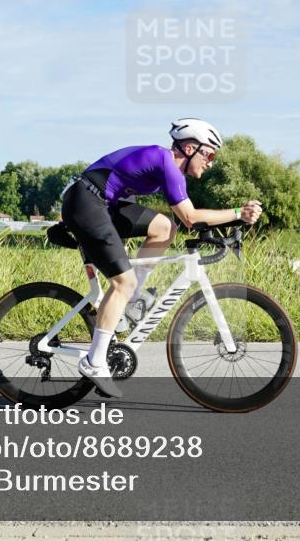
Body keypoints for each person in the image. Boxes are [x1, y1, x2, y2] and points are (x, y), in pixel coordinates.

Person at [60, 118, 262, 397]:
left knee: (165, 228)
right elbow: (191, 217)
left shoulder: (168, 167)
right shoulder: (165, 162)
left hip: (103, 203)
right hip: (86, 202)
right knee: (123, 283)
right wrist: (238, 214)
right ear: (190, 148)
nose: (211, 162)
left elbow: (184, 220)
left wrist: (222, 226)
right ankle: (95, 361)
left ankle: (132, 300)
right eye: (210, 154)